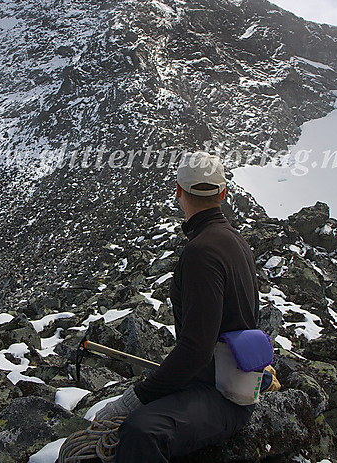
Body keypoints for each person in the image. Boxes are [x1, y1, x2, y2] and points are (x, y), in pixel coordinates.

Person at [95, 150, 260, 462]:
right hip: (233, 385)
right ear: (223, 193)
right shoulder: (236, 241)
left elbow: (196, 348)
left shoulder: (201, 252)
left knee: (140, 432)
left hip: (220, 394)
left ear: (178, 192)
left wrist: (136, 398)